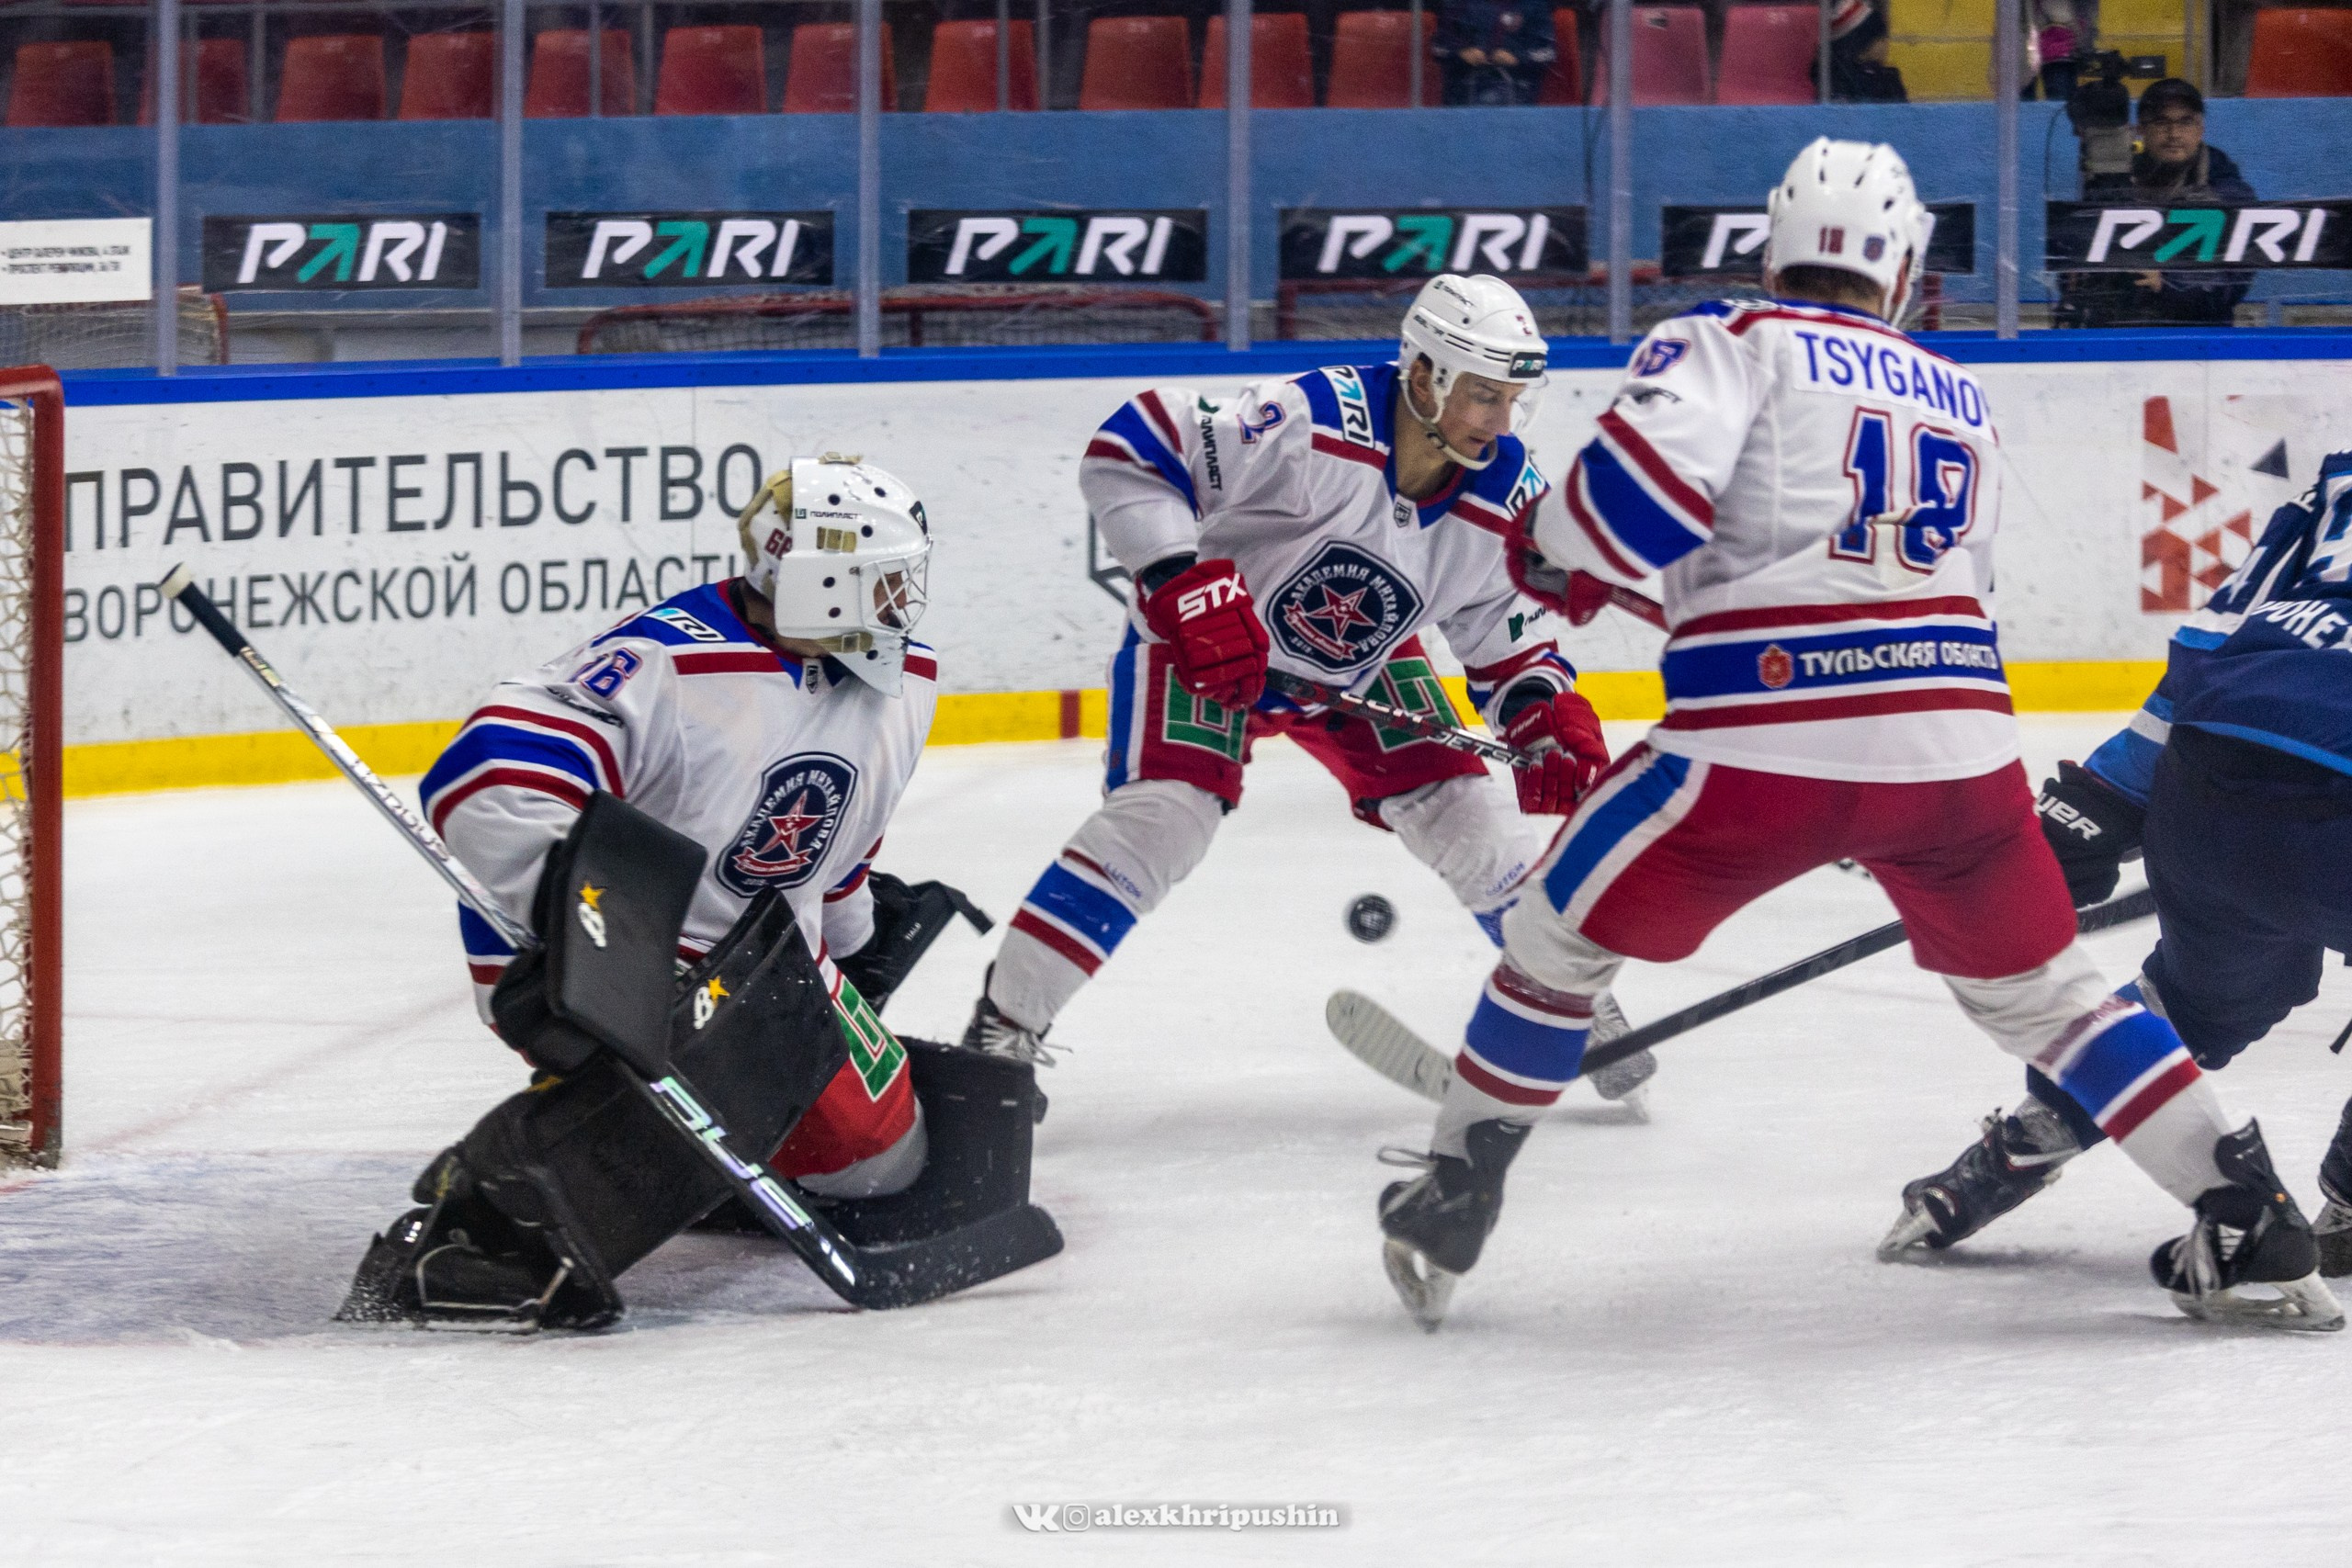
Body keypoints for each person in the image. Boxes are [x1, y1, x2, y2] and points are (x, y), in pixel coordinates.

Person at [1372, 137, 2339, 1335]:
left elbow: (1625, 513)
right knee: (2057, 998)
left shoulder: (1729, 340)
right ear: (1904, 268)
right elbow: (1907, 591)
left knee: (1552, 942)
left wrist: (1554, 555)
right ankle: (2249, 1211)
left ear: (1778, 246)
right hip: (1954, 761)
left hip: (1757, 746)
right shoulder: (1960, 395)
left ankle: (1456, 1189)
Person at [338, 456, 1038, 1329]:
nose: (902, 605)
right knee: (710, 1088)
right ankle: (471, 1226)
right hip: (637, 963)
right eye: (881, 583)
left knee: (883, 1162)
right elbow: (486, 775)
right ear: (821, 580)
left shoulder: (909, 678)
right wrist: (596, 936)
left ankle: (716, 1162)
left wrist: (855, 943)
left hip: (774, 961)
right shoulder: (667, 660)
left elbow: (844, 847)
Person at [960, 274, 1650, 1109]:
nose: (1499, 421)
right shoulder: (1312, 422)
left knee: (1469, 818)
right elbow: (1132, 444)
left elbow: (1503, 636)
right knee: (1164, 820)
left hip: (1364, 665)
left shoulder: (1508, 495)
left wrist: (1545, 715)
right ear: (1425, 373)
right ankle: (1004, 1027)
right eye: (1482, 396)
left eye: (1512, 399)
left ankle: (1564, 1005)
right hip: (1209, 647)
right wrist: (1183, 578)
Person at [1885, 450, 2352, 1282]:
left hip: (2208, 787)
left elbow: (2214, 643)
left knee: (2200, 1001)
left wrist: (2100, 800)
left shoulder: (2339, 483)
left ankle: (2010, 1153)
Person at [2058, 78, 2256, 328]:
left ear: (2200, 128)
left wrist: (2165, 282)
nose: (2174, 134)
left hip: (2198, 340)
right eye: (2162, 122)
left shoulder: (2226, 192)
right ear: (2140, 128)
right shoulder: (2114, 182)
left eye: (2186, 122)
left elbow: (2231, 284)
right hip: (2118, 333)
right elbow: (2072, 261)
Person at [1432, 0, 1557, 105]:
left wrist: (1517, 58)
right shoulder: (1456, 3)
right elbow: (1438, 48)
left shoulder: (1533, 4)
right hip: (1463, 91)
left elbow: (1548, 52)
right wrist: (1460, 54)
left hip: (1517, 89)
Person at [1814, 0, 1908, 103]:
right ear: (1862, 46)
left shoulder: (1888, 79)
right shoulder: (1836, 81)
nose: (1886, 44)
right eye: (1880, 38)